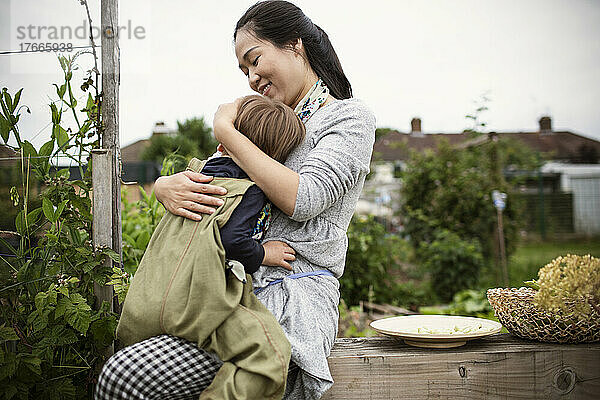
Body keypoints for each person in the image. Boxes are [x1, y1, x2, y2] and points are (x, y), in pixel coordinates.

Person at [94, 1, 375, 399]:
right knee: (127, 364)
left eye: (254, 59)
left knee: (126, 376)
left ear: (294, 46)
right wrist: (164, 186)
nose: (251, 77)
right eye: (243, 70)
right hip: (224, 287)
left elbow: (305, 197)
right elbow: (220, 178)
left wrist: (226, 127)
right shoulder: (267, 121)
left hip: (289, 298)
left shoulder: (348, 118)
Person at [114, 94, 306, 400]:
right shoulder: (251, 191)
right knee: (272, 355)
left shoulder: (197, 176)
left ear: (221, 147)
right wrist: (265, 253)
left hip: (146, 307)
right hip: (198, 305)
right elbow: (233, 241)